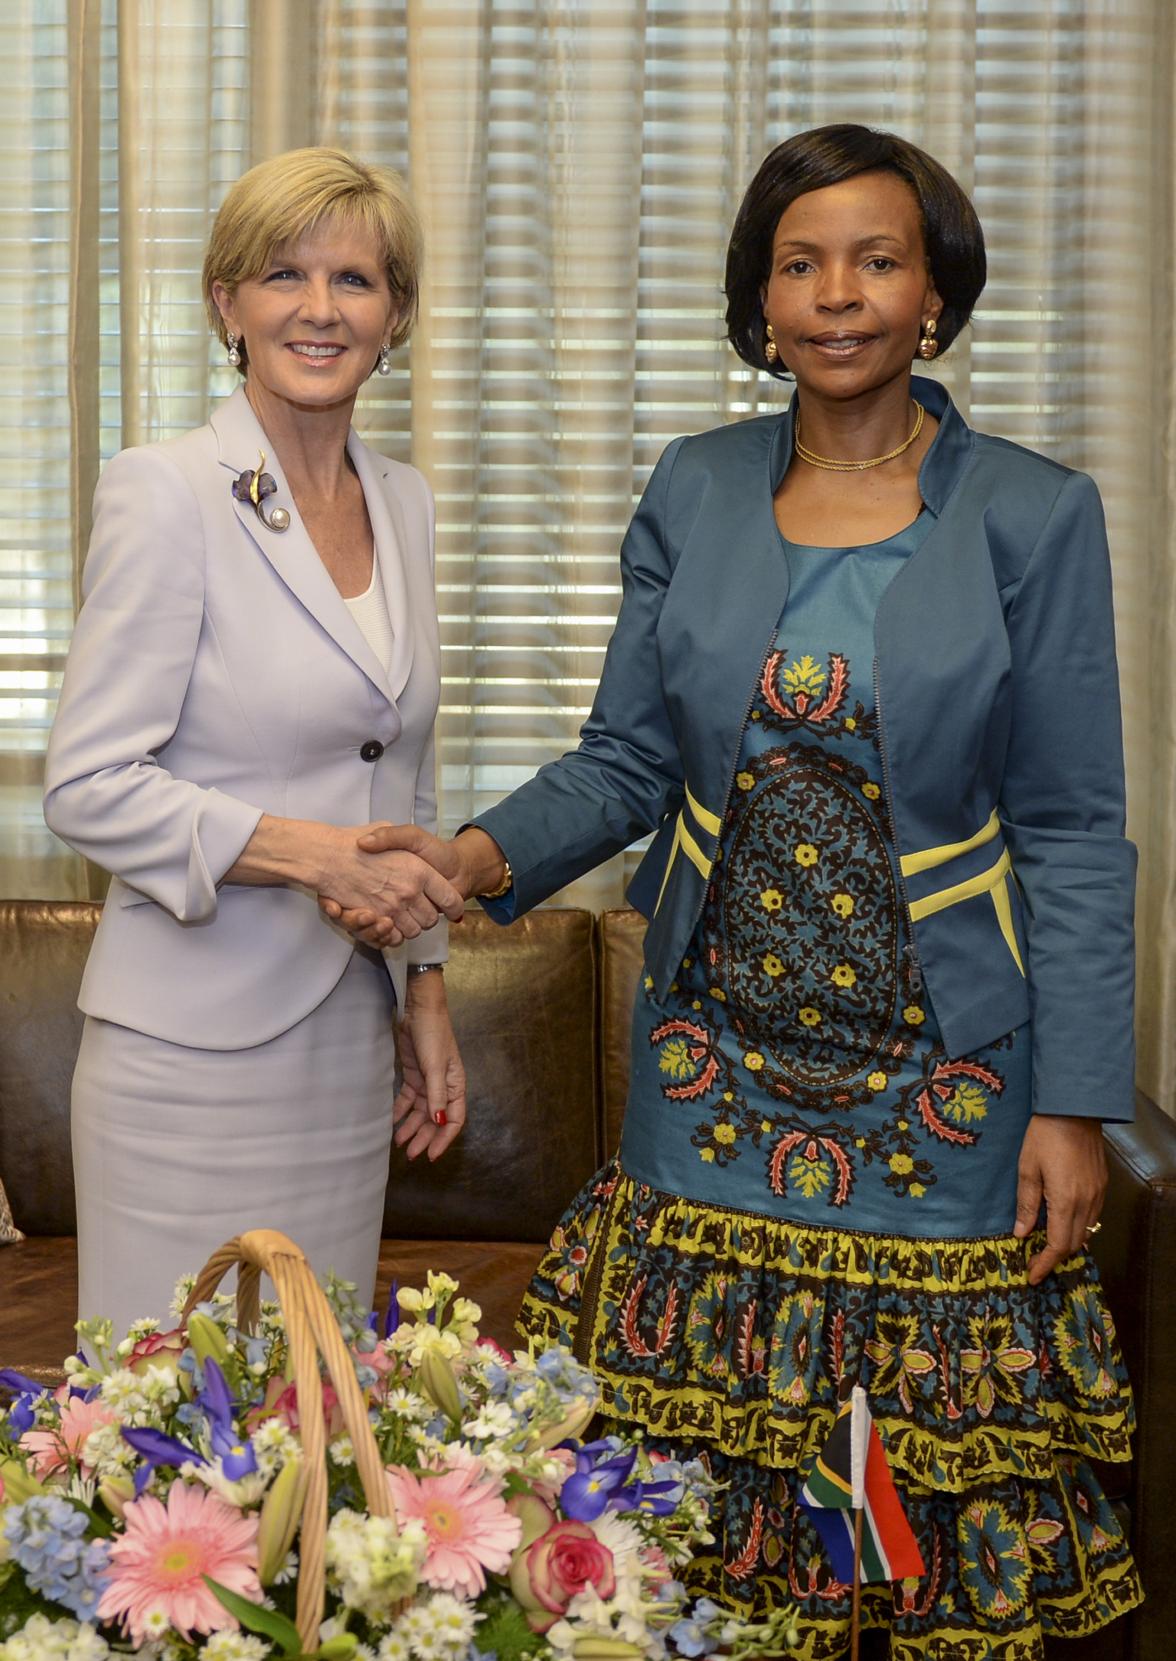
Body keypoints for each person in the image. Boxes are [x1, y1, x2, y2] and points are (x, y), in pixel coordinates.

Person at [328, 125, 1141, 1655]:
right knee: (687, 1514)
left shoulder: (1035, 514)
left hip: (945, 1081)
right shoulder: (694, 489)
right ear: (762, 303)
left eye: (878, 259)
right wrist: (467, 860)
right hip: (713, 1070)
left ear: (936, 296)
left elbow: (1077, 828)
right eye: (800, 261)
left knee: (904, 1505)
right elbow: (625, 761)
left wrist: (1075, 1100)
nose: (839, 294)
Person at [44, 148, 465, 1339]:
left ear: (397, 316)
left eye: (356, 279)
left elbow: (406, 767)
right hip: (185, 1049)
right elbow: (86, 783)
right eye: (283, 274)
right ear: (227, 303)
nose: (320, 309)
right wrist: (312, 855)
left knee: (317, 1412)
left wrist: (425, 988)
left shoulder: (407, 499)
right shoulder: (164, 489)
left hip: (347, 1036)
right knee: (166, 1426)